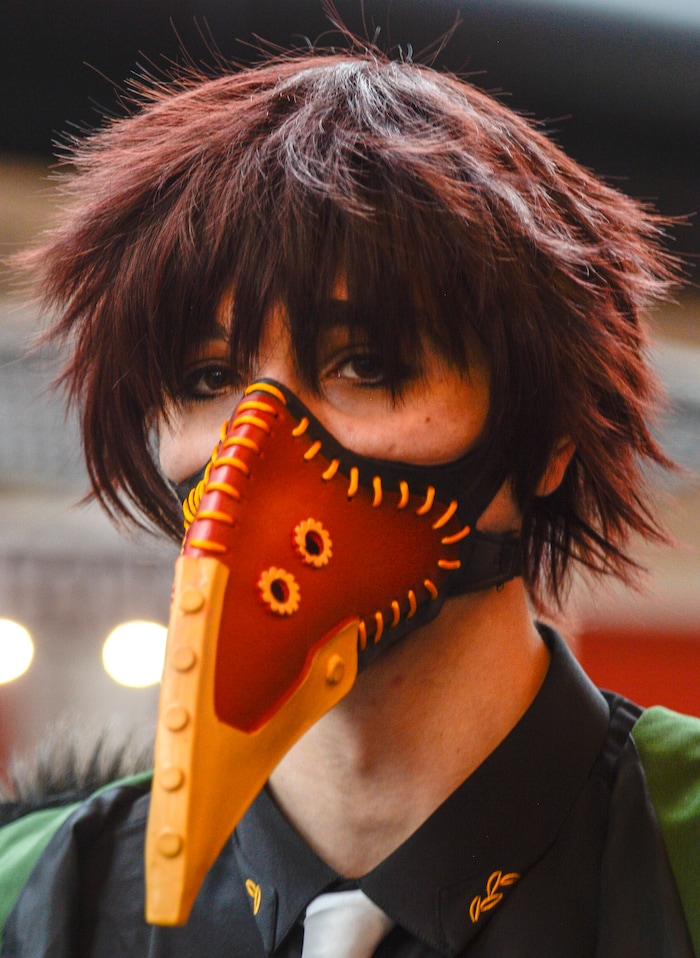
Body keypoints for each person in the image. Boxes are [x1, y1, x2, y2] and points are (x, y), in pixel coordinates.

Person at [2, 43, 699, 958]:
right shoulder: (36, 893)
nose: (257, 445)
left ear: (548, 439)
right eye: (208, 376)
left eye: (366, 365)